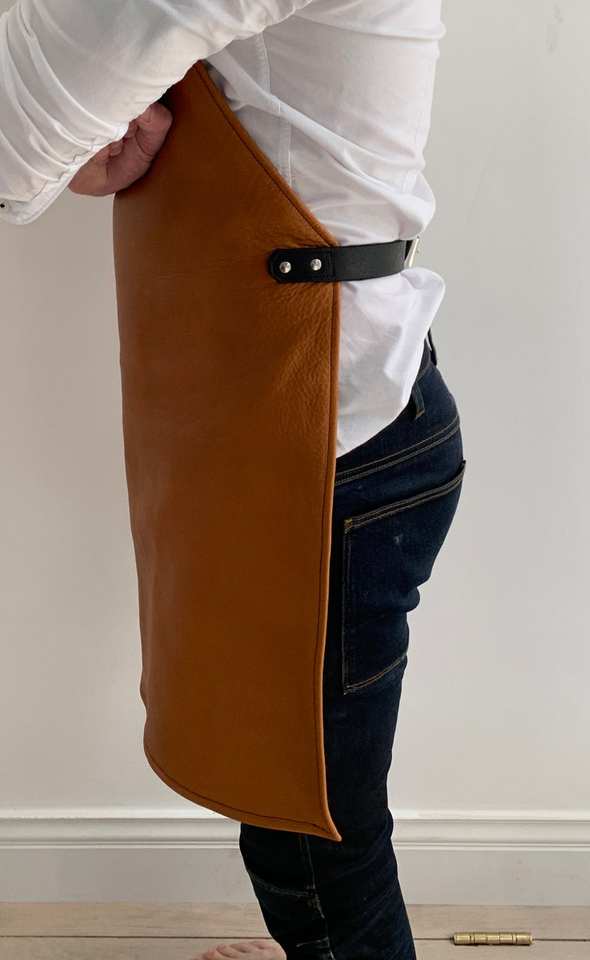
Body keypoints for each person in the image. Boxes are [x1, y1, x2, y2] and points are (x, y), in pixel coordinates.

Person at [0, 2, 466, 958]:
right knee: (290, 800)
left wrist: (70, 139)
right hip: (312, 421)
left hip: (321, 441)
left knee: (312, 840)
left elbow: (17, 129)